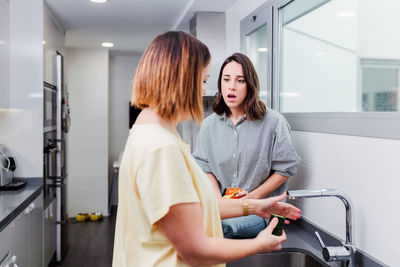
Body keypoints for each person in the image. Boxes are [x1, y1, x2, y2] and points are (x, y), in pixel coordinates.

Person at [112, 31, 301, 267]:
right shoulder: (161, 148)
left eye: (239, 80)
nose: (204, 91)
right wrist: (260, 244)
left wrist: (255, 204)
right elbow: (195, 249)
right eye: (203, 81)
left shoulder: (146, 132)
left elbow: (194, 208)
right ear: (180, 80)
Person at [193, 53, 301, 239]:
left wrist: (252, 198)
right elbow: (204, 167)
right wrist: (219, 203)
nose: (231, 86)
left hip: (259, 211)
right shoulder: (209, 125)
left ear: (250, 85)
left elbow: (285, 169)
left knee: (217, 227)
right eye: (226, 79)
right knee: (197, 220)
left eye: (240, 80)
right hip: (223, 206)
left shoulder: (274, 122)